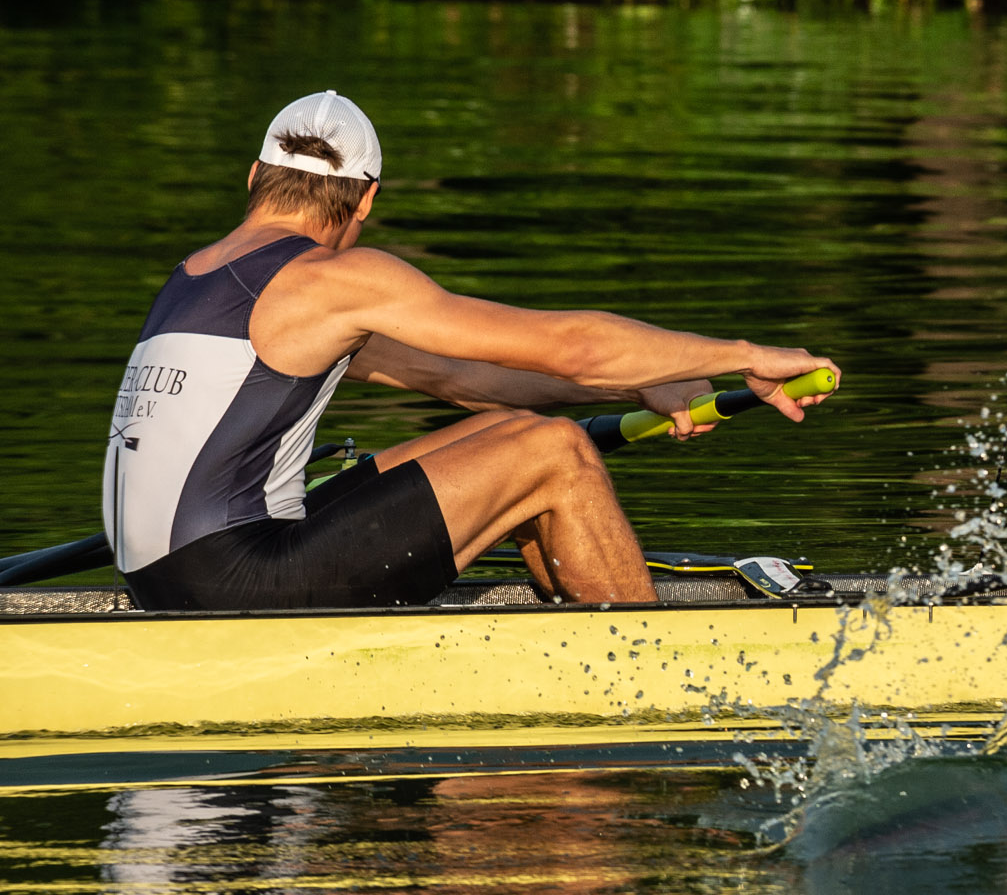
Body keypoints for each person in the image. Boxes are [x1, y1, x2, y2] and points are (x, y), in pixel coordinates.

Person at [103, 90, 835, 611]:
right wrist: (742, 355)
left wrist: (639, 389)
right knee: (555, 453)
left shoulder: (195, 272)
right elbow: (570, 347)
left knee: (513, 436)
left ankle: (572, 599)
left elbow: (458, 376)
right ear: (365, 200)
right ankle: (648, 669)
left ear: (256, 177)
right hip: (236, 586)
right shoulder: (332, 279)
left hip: (167, 577)